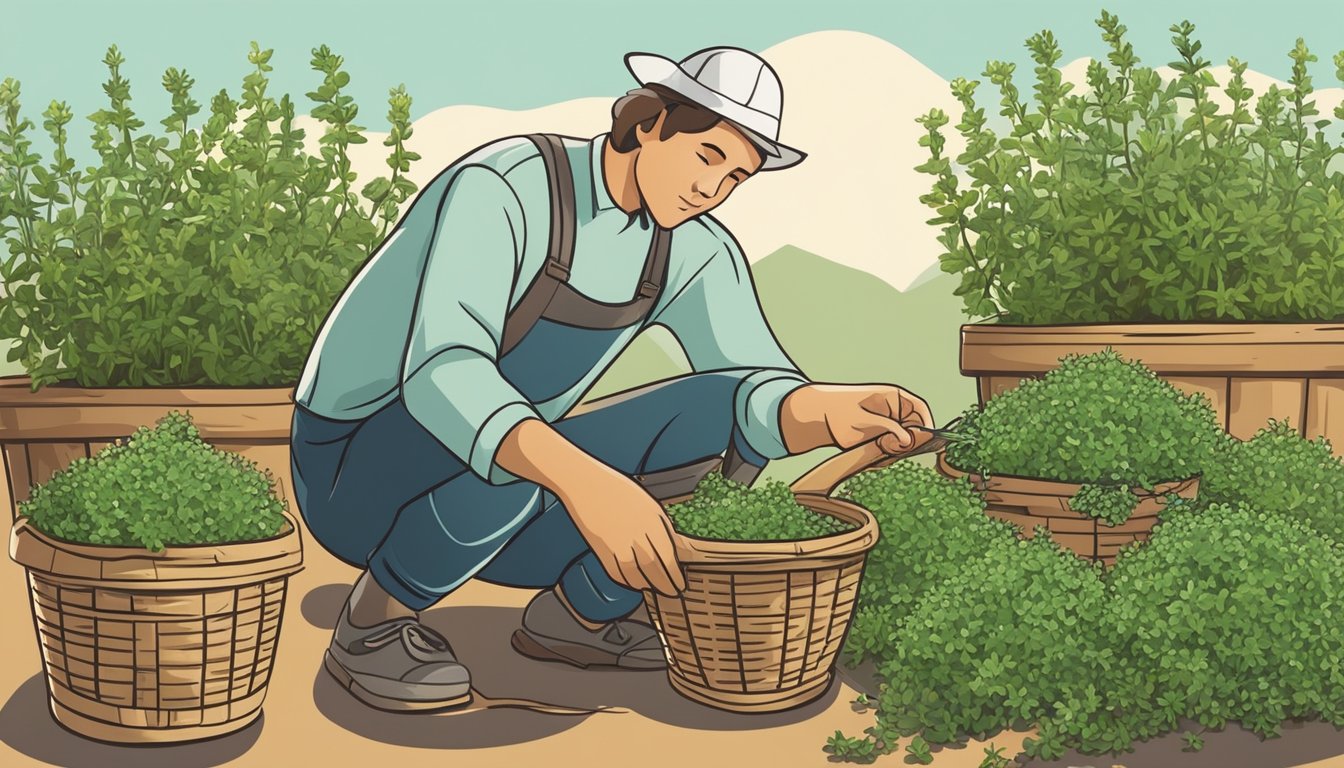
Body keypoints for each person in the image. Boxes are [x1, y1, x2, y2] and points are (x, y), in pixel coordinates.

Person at [289, 45, 933, 712]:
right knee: (522, 454)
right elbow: (442, 372)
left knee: (726, 408)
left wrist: (824, 411)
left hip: (498, 500)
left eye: (737, 176)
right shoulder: (507, 185)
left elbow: (756, 382)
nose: (713, 189)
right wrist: (585, 481)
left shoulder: (694, 246)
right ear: (650, 122)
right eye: (708, 156)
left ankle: (579, 616)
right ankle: (372, 625)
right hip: (356, 473)